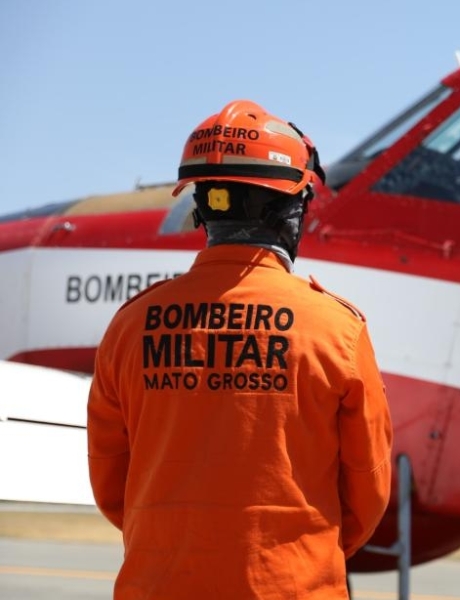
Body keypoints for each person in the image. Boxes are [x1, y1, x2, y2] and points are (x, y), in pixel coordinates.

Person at [87, 100, 393, 599]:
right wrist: (302, 555)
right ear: (291, 209)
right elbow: (367, 493)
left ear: (203, 207)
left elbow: (111, 483)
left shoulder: (129, 327)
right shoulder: (337, 330)